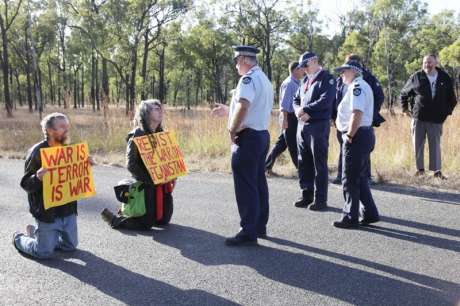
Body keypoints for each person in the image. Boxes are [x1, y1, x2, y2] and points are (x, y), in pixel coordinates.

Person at [13, 113, 91, 259]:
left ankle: (38, 233)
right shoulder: (37, 152)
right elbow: (25, 184)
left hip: (67, 209)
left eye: (67, 126)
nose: (67, 130)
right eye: (62, 127)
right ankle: (19, 238)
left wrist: (85, 164)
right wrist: (37, 177)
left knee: (70, 246)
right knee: (44, 252)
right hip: (47, 212)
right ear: (49, 130)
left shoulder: (69, 149)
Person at [223, 45, 273, 246]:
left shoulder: (248, 79)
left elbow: (244, 105)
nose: (236, 65)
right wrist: (229, 111)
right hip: (261, 135)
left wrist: (232, 129)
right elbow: (251, 108)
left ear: (244, 59)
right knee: (258, 182)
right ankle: (259, 225)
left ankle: (248, 230)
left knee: (246, 185)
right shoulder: (263, 79)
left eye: (236, 61)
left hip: (248, 138)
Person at [101, 99, 174, 230]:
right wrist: (148, 180)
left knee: (164, 221)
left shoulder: (161, 134)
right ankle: (115, 220)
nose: (160, 110)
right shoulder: (137, 133)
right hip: (145, 183)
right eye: (155, 108)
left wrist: (172, 174)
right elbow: (131, 164)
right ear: (146, 113)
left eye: (160, 108)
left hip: (161, 184)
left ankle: (130, 211)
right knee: (145, 224)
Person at [333, 60, 379, 228]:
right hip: (363, 135)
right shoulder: (360, 86)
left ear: (354, 71)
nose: (342, 74)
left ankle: (350, 217)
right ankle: (369, 213)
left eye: (344, 71)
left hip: (357, 136)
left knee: (349, 179)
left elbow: (357, 113)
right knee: (358, 177)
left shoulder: (357, 87)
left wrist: (350, 135)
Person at [400, 54, 457, 179]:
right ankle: (419, 170)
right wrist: (405, 109)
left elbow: (452, 99)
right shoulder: (416, 76)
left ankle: (437, 172)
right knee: (417, 144)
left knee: (435, 145)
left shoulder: (444, 77)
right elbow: (404, 93)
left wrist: (445, 113)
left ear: (436, 63)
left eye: (430, 62)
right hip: (418, 117)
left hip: (436, 119)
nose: (427, 65)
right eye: (425, 62)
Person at [332, 54, 385, 185]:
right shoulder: (342, 80)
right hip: (345, 123)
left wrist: (370, 113)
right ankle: (342, 174)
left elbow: (378, 97)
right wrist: (334, 116)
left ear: (356, 67)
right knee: (344, 150)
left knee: (359, 154)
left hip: (358, 124)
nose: (343, 72)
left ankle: (364, 176)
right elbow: (335, 98)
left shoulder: (365, 81)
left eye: (347, 66)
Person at [293, 52, 335, 211]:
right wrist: (298, 110)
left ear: (315, 61)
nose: (303, 69)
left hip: (318, 126)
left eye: (305, 65)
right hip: (302, 125)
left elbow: (326, 100)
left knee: (319, 164)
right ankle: (306, 194)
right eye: (302, 67)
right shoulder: (304, 80)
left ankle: (320, 199)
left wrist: (306, 109)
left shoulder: (327, 78)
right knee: (303, 161)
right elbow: (296, 99)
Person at [265, 61, 303, 173]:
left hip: (292, 117)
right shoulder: (289, 83)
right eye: (301, 69)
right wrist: (285, 120)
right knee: (293, 144)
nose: (303, 71)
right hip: (289, 117)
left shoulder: (296, 83)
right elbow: (285, 104)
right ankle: (301, 170)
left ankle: (265, 166)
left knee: (281, 144)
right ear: (295, 70)